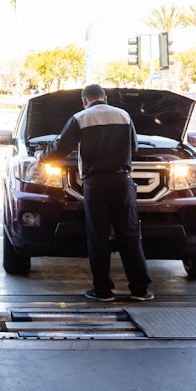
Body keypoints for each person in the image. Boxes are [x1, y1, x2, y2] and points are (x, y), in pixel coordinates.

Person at [38, 84, 153, 302]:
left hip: (95, 184)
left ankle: (103, 290)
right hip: (122, 182)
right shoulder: (124, 116)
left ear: (85, 101)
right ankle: (140, 289)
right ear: (105, 98)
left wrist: (41, 157)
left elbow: (60, 148)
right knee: (129, 235)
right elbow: (134, 148)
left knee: (98, 237)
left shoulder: (81, 118)